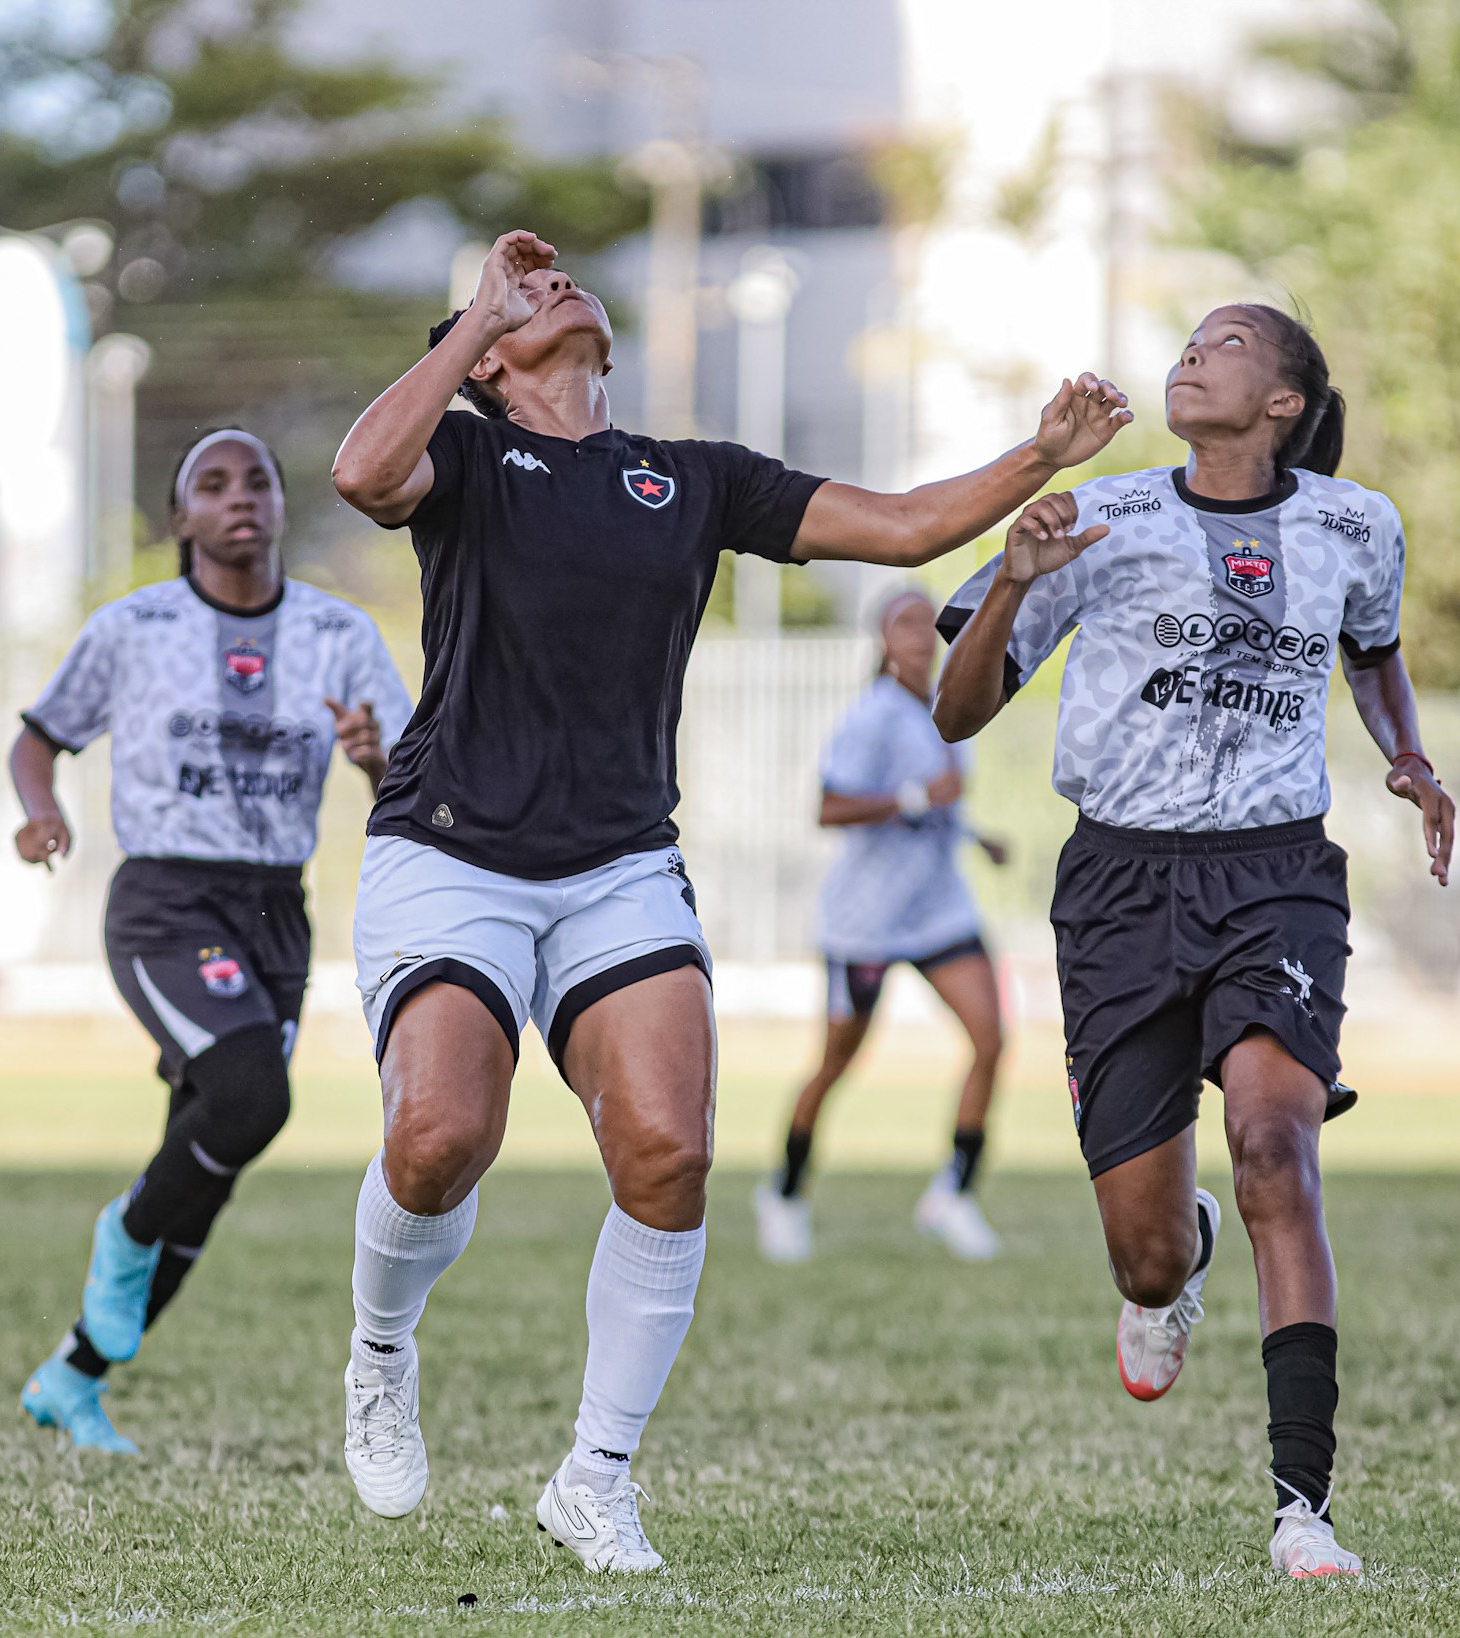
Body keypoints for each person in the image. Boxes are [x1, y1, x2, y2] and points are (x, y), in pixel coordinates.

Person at [327, 228, 1130, 1573]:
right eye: (525, 299)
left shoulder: (688, 479)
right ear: (485, 366)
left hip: (619, 863)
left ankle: (595, 1474)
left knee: (671, 1153)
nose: (557, 282)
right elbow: (360, 472)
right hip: (452, 854)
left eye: (559, 283)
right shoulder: (463, 454)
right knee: (439, 1137)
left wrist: (1042, 453)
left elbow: (906, 525)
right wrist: (474, 315)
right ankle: (380, 1347)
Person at [933, 305, 1455, 1580]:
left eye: (1227, 344)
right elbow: (950, 710)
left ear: (1283, 402)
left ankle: (1301, 1511)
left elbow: (1372, 655)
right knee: (1145, 1251)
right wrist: (1010, 575)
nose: (1191, 354)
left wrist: (1408, 756)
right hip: (1115, 885)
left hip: (1275, 875)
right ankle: (1177, 1263)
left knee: (1275, 1145)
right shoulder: (1093, 519)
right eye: (1191, 341)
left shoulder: (1353, 523)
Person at [11, 428, 412, 1454]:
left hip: (277, 910)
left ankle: (73, 1377)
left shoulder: (337, 635)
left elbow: (410, 784)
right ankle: (125, 1235)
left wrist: (373, 762)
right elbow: (39, 735)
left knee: (215, 1155)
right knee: (248, 1097)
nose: (241, 498)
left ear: (281, 506)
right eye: (213, 484)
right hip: (165, 903)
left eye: (260, 481)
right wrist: (40, 810)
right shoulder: (134, 627)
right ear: (182, 518)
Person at [753, 587, 1009, 1265]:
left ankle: (953, 1192)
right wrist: (914, 797)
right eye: (905, 621)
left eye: (929, 620)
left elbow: (942, 804)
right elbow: (828, 808)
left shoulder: (949, 705)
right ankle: (783, 1192)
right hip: (866, 920)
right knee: (838, 1061)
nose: (922, 632)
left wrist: (975, 837)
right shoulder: (871, 716)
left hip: (938, 909)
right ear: (883, 639)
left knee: (991, 1038)